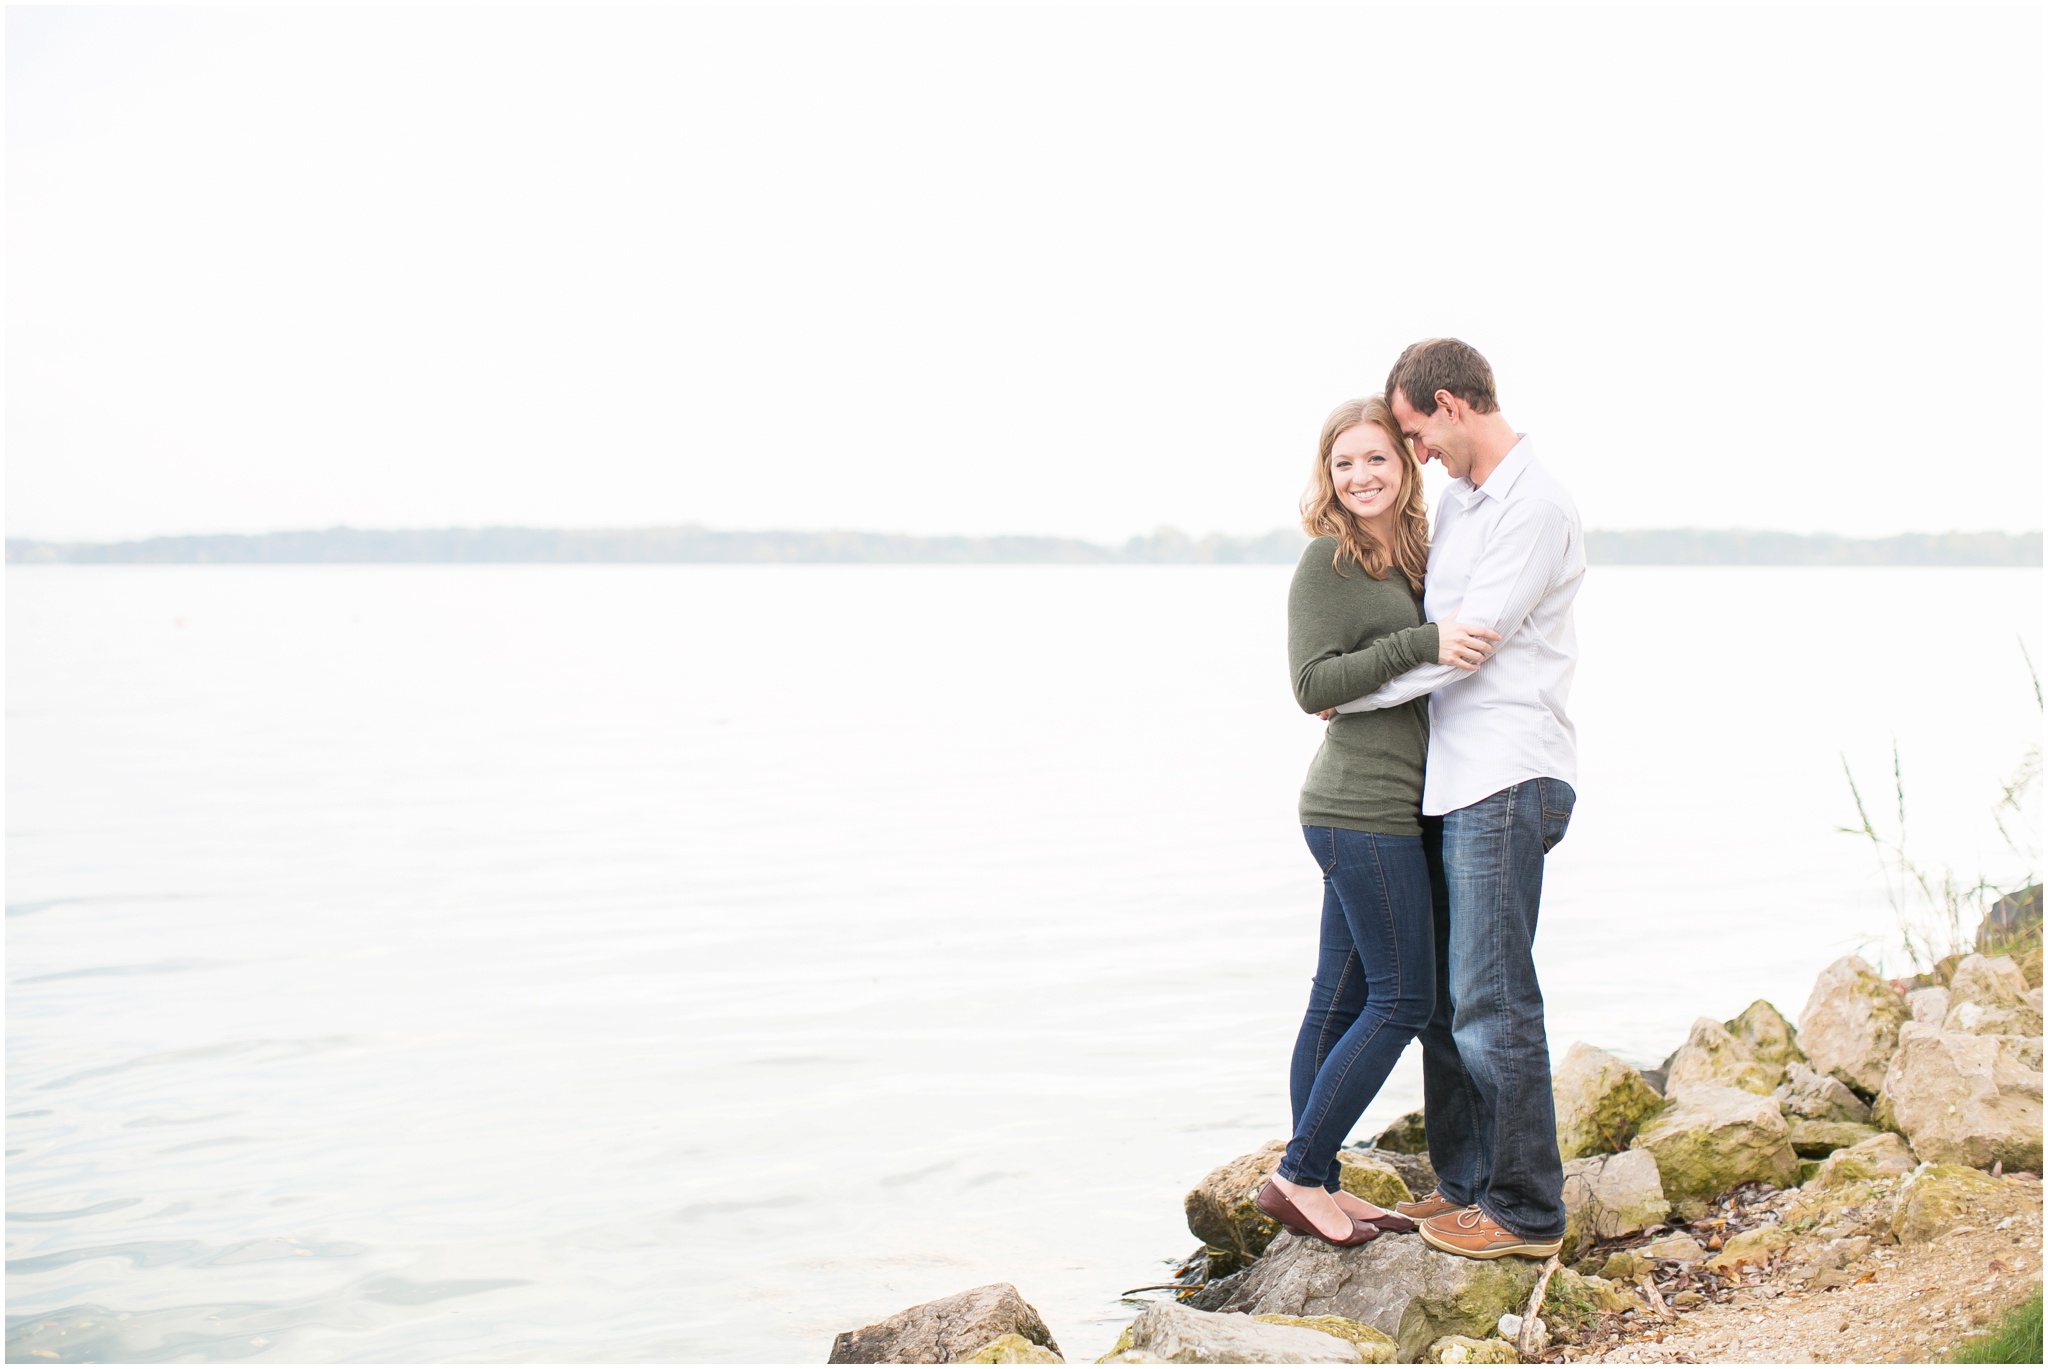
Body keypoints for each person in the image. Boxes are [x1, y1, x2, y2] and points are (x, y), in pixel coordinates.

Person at [1336, 338, 1585, 1260]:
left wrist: (1346, 691)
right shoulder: (1459, 502)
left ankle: (1526, 1211)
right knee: (1445, 999)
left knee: (1493, 997)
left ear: (1448, 403)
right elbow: (1434, 638)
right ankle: (1468, 1185)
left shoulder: (1535, 506)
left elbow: (1462, 646)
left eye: (1411, 432)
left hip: (1508, 773)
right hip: (1451, 777)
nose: (1414, 453)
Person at [1252, 395, 1502, 1246]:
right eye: (1343, 463)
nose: (1359, 477)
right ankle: (1297, 1173)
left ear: (1405, 469)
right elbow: (1313, 685)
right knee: (1402, 999)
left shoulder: (1410, 558)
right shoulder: (1329, 560)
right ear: (1328, 475)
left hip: (1390, 805)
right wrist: (1425, 644)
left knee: (1340, 997)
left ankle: (1313, 1177)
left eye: (1376, 461)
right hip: (1357, 809)